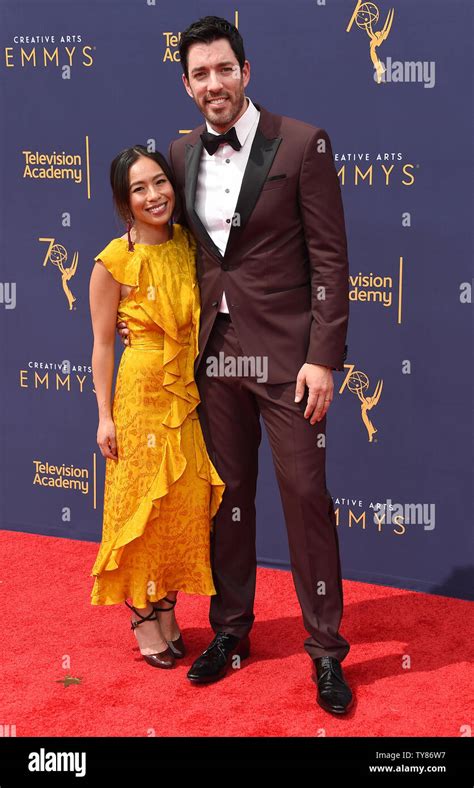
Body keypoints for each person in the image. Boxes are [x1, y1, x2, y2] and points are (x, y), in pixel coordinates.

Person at [119, 16, 353, 715]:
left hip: (287, 361)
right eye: (200, 74)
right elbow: (166, 243)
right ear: (187, 84)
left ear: (245, 72)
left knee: (306, 499)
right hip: (214, 361)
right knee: (227, 501)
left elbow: (332, 263)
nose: (213, 83)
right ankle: (231, 631)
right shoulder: (181, 152)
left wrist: (323, 358)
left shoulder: (303, 144)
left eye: (224, 69)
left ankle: (326, 652)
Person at [89, 145, 225, 669]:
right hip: (141, 395)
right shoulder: (113, 261)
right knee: (141, 506)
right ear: (125, 203)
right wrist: (104, 415)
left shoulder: (190, 246)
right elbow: (103, 343)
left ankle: (167, 606)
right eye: (139, 189)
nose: (154, 195)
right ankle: (142, 615)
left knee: (179, 505)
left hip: (188, 394)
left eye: (160, 183)